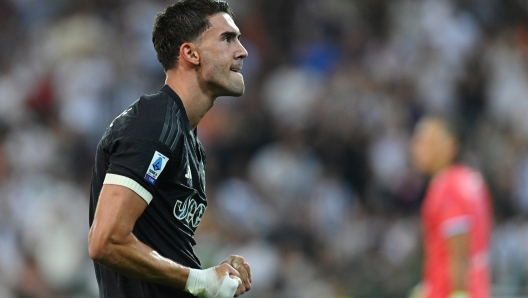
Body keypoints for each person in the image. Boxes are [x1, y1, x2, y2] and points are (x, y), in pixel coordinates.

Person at [87, 1, 251, 297]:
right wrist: (200, 280)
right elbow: (106, 240)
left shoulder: (187, 138)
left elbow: (160, 255)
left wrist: (214, 274)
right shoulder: (154, 123)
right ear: (190, 53)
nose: (242, 50)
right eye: (227, 38)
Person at [410, 116, 492, 298]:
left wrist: (459, 294)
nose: (418, 148)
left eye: (427, 142)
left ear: (450, 146)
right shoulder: (470, 180)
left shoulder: (447, 187)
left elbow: (459, 251)